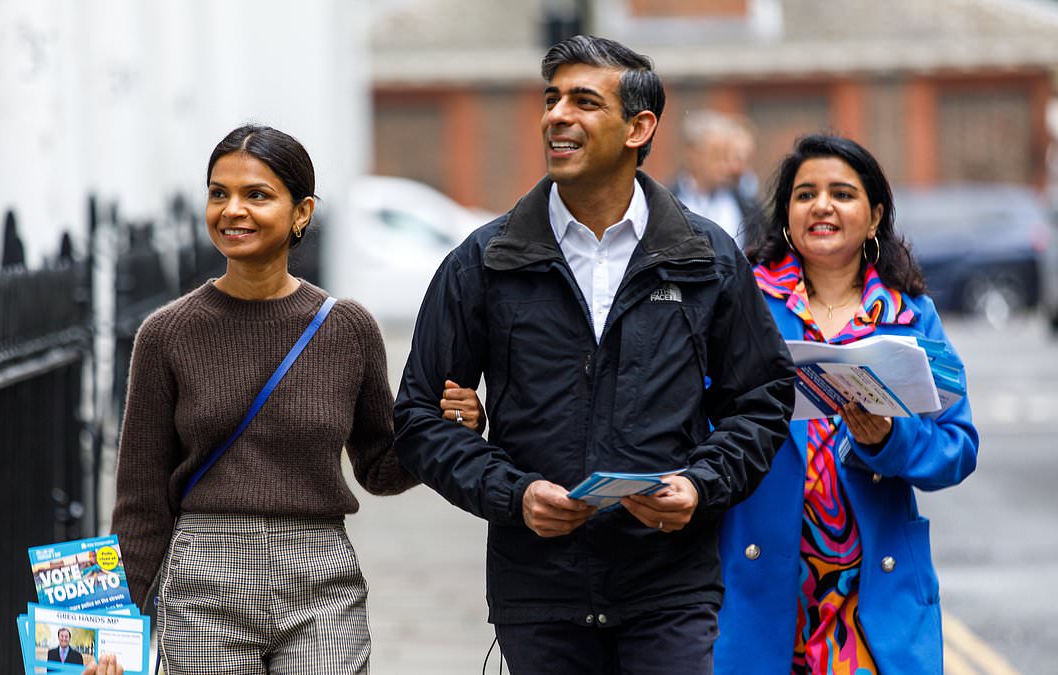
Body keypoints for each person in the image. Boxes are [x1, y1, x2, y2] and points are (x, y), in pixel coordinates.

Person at [393, 35, 796, 674]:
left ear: (639, 127)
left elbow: (761, 400)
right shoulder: (483, 261)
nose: (557, 116)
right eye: (552, 99)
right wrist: (513, 495)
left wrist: (699, 486)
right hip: (539, 593)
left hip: (670, 589)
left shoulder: (707, 258)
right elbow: (417, 418)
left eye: (584, 101)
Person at [110, 124, 484, 674]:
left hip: (321, 579)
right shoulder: (166, 333)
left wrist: (450, 430)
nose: (232, 210)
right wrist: (110, 634)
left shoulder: (346, 328)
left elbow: (380, 466)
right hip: (203, 581)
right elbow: (141, 501)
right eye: (219, 193)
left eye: (256, 195)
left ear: (302, 212)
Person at [715, 134, 979, 674]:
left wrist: (888, 439)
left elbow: (957, 447)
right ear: (786, 213)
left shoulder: (911, 315)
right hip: (764, 578)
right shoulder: (743, 301)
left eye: (842, 193)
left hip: (871, 589)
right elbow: (699, 414)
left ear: (875, 213)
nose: (822, 206)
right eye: (805, 193)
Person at [670, 110, 762, 248]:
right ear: (693, 154)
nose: (726, 165)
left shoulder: (748, 207)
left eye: (728, 156)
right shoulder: (665, 203)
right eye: (718, 156)